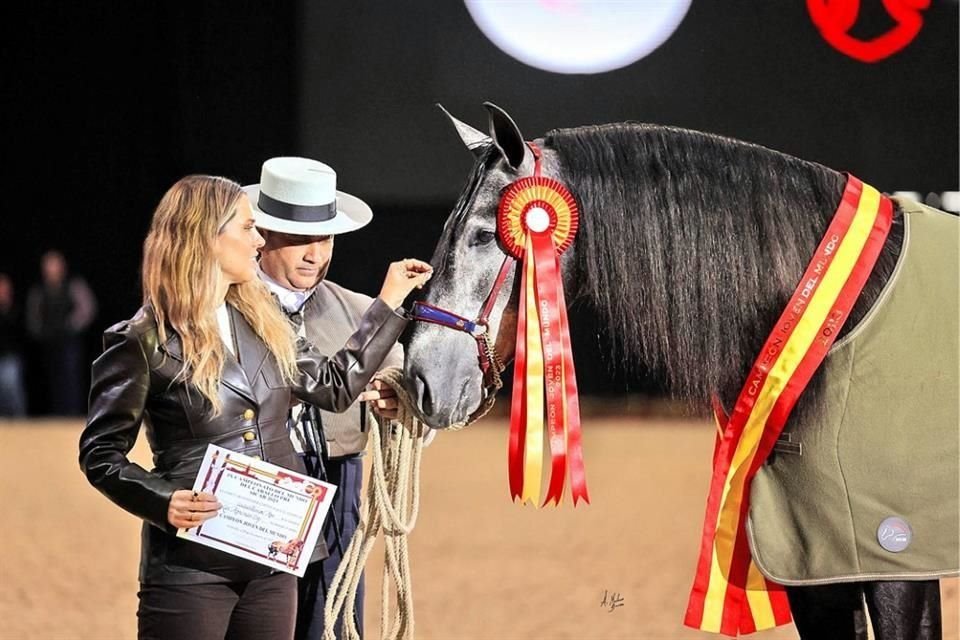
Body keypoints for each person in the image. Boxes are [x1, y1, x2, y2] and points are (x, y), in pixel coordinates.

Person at [78, 174, 432, 640]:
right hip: (192, 565)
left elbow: (335, 387)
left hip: (273, 558)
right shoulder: (139, 340)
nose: (259, 240)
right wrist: (161, 500)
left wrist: (388, 302)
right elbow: (100, 454)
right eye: (248, 229)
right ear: (205, 236)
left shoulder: (265, 321)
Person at [247, 156, 407, 640]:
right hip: (252, 488)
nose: (315, 253)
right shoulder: (222, 307)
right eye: (299, 239)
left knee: (331, 622)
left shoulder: (357, 310)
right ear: (263, 235)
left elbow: (405, 386)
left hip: (337, 487)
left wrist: (400, 405)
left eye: (326, 238)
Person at [25, 249, 97, 415]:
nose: (51, 269)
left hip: (69, 341)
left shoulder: (73, 285)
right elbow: (33, 314)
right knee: (52, 380)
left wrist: (71, 325)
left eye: (54, 265)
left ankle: (72, 413)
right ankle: (56, 413)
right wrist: (40, 330)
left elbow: (87, 309)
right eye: (48, 265)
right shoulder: (39, 290)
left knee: (71, 378)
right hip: (49, 342)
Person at [0, 273, 27, 416]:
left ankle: (19, 422)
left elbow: (20, 332)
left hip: (10, 356)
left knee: (12, 390)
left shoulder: (15, 308)